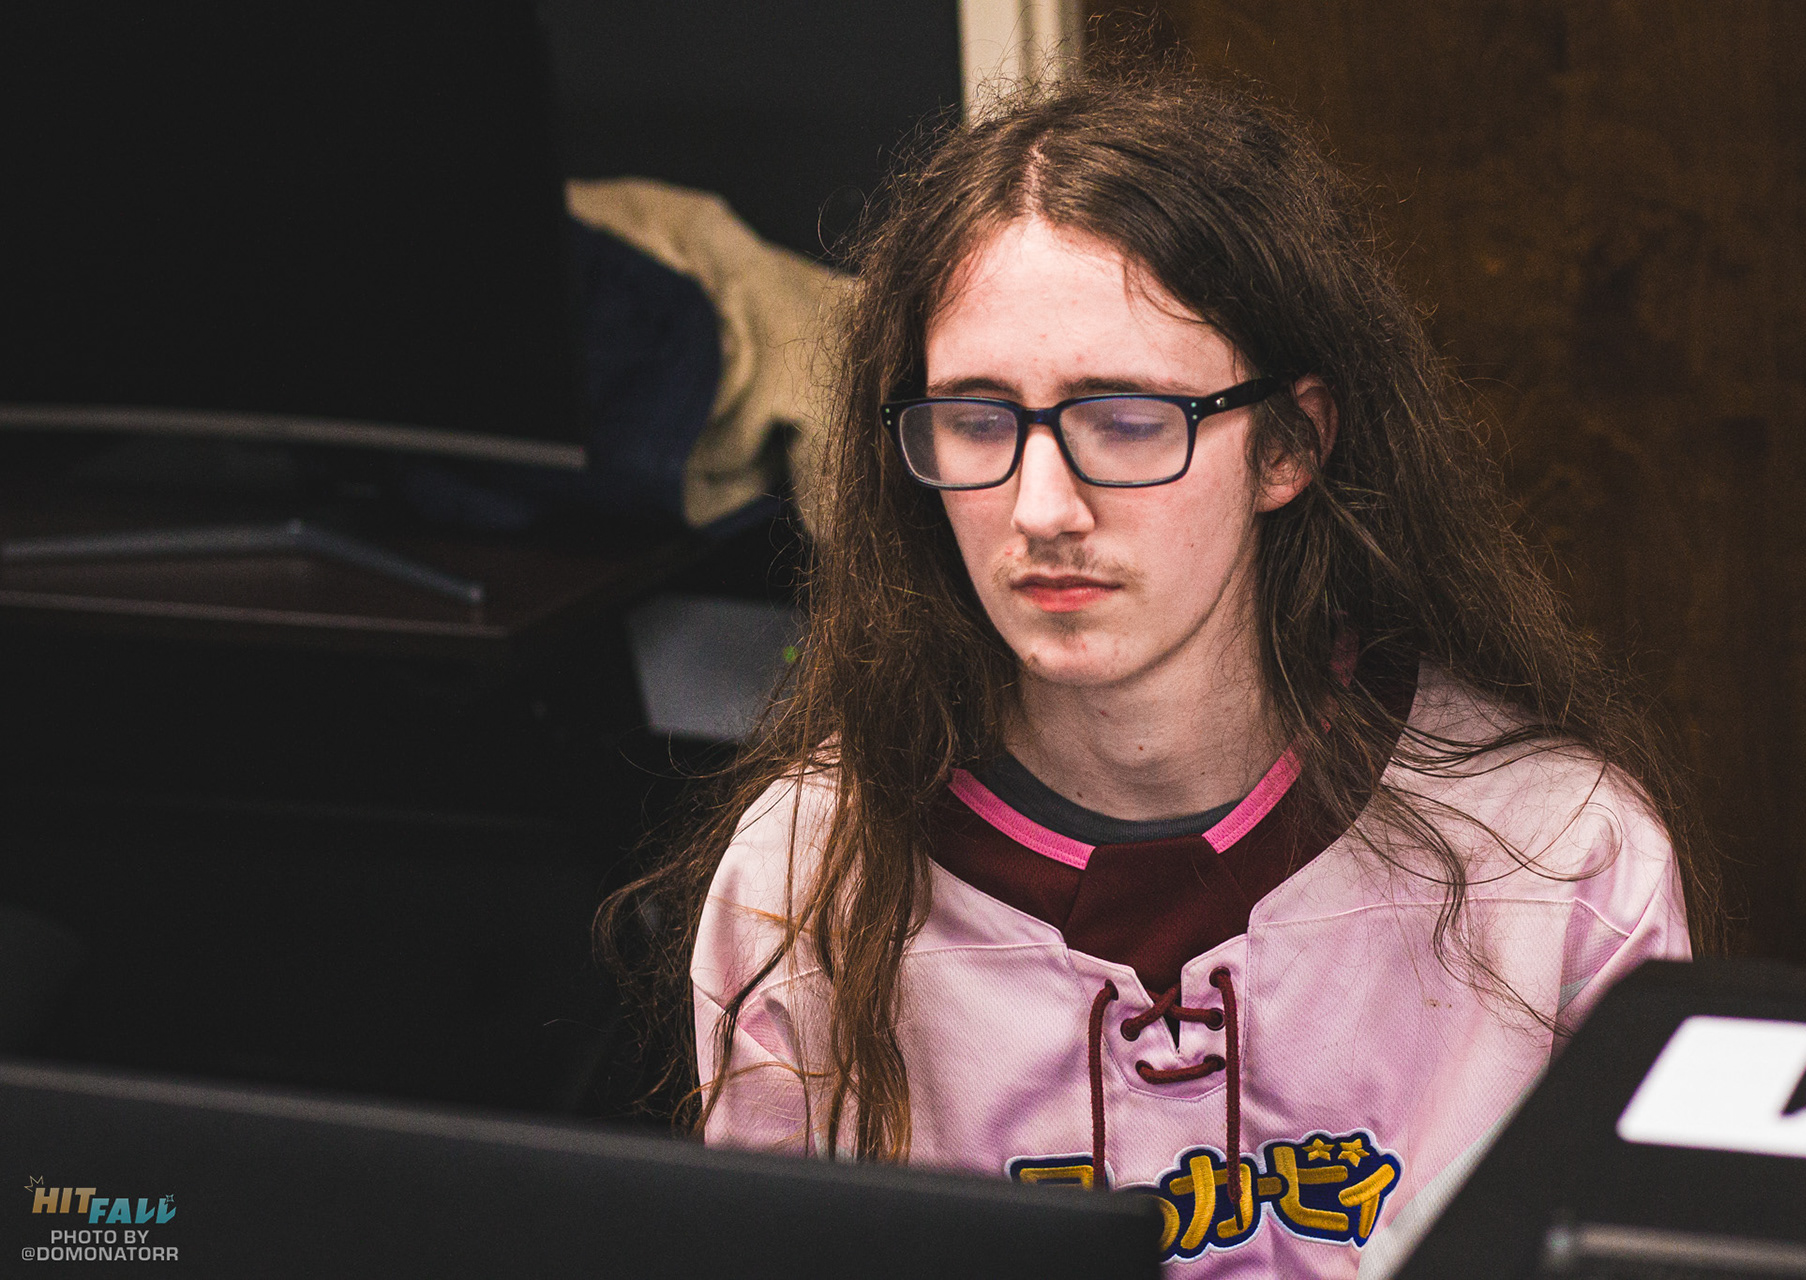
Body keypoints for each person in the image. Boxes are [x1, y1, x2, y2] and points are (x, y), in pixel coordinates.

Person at [600, 63, 1714, 1277]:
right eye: (976, 419)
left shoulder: (1556, 856)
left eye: (1126, 418)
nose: (1041, 507)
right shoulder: (808, 876)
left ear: (1289, 443)